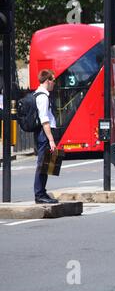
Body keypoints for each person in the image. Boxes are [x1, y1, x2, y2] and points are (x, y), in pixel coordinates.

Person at [34, 69, 59, 204]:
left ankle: (42, 192)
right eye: (53, 80)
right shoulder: (42, 97)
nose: (54, 83)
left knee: (47, 165)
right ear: (47, 81)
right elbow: (44, 120)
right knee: (42, 164)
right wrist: (51, 140)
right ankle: (39, 195)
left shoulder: (43, 95)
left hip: (45, 134)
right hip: (44, 134)